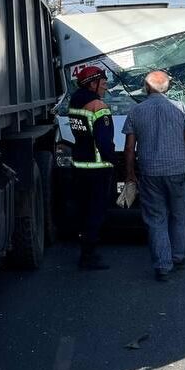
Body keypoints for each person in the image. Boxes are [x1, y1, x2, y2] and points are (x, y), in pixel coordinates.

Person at [123, 70, 185, 282]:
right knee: (179, 214)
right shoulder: (182, 109)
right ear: (166, 87)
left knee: (155, 218)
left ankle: (162, 265)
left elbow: (130, 148)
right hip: (179, 170)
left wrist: (130, 174)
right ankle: (179, 256)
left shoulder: (135, 111)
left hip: (150, 172)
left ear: (146, 87)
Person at [66, 65, 117, 270]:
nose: (105, 87)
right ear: (92, 83)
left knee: (84, 209)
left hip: (80, 164)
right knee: (96, 210)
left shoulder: (74, 102)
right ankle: (89, 256)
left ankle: (84, 250)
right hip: (98, 166)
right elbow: (104, 141)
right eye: (103, 83)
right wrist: (113, 160)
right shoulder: (98, 106)